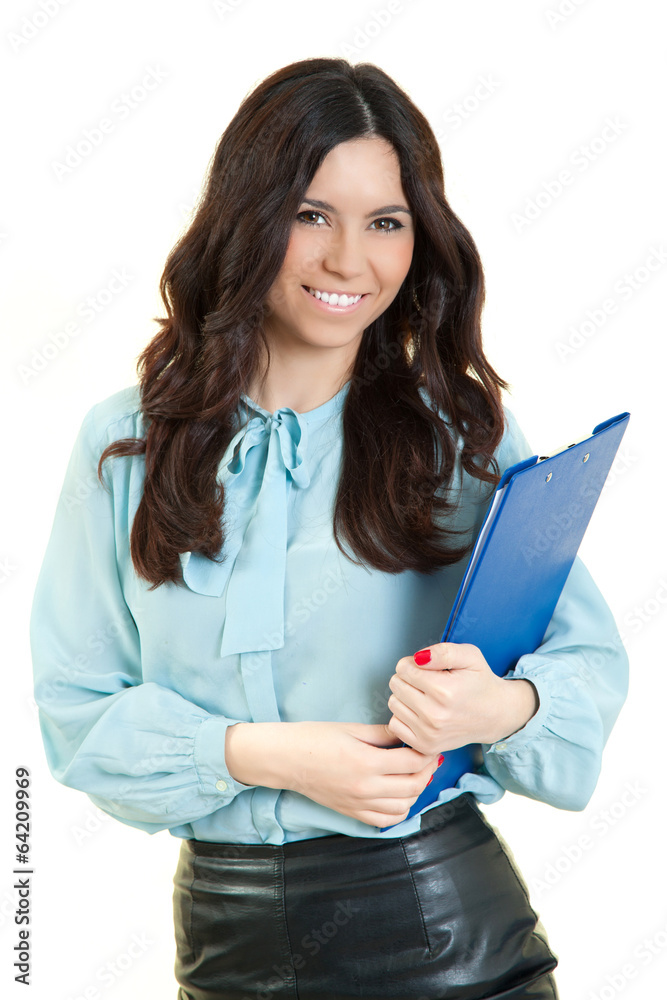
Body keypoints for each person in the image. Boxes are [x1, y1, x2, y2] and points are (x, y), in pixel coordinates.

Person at [30, 57, 629, 1000]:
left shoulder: (457, 433)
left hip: (444, 936)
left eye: (385, 222)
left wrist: (497, 708)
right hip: (223, 947)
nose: (350, 260)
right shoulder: (124, 441)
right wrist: (258, 754)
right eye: (312, 215)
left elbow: (584, 664)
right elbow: (75, 712)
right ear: (249, 215)